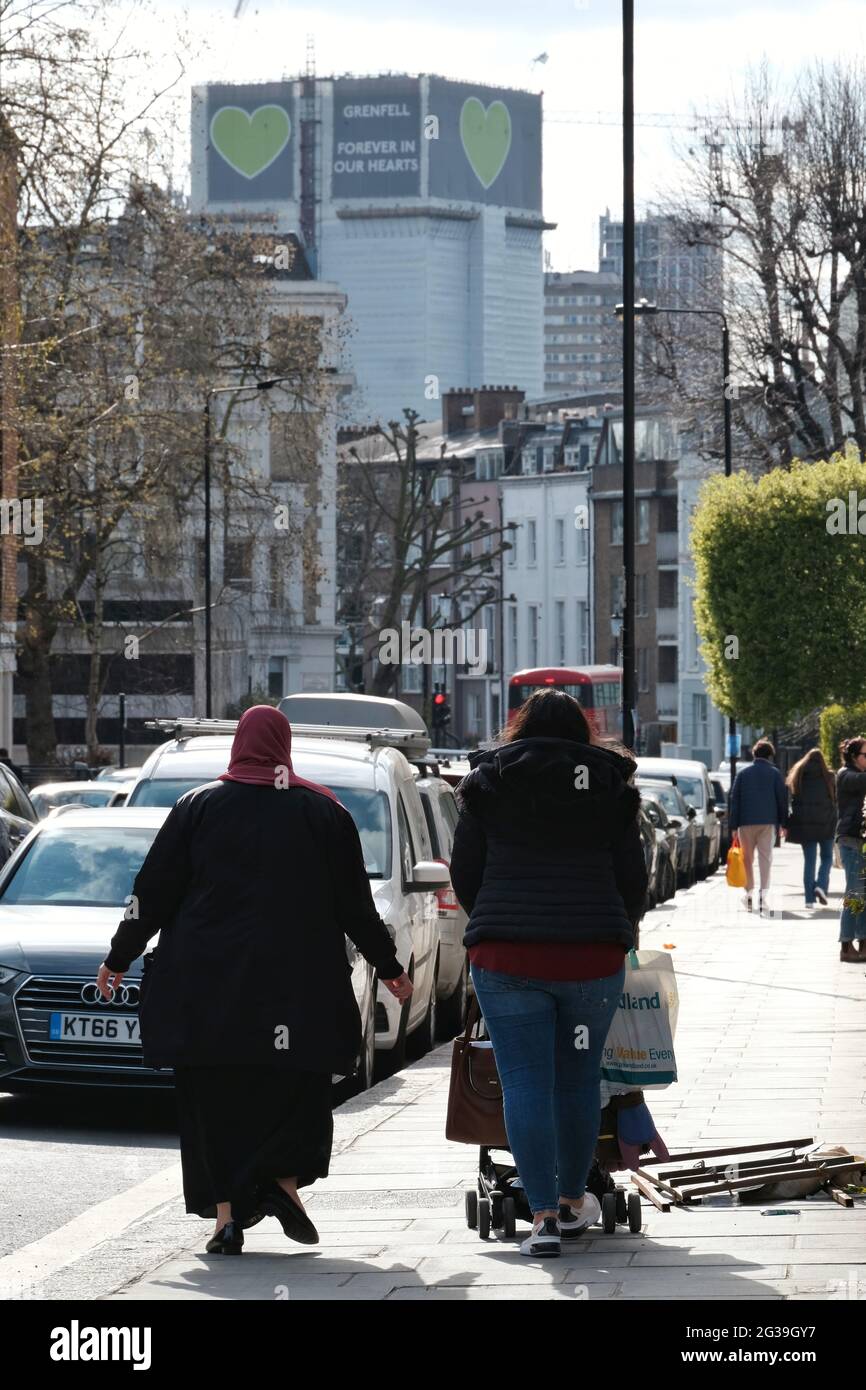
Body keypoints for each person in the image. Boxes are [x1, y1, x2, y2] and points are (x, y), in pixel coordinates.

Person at [97, 705, 412, 1256]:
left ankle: (225, 1220)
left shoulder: (196, 808)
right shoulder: (325, 814)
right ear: (283, 748)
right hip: (298, 989)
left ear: (237, 746)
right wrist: (389, 968)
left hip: (207, 989)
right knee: (292, 1086)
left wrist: (119, 957)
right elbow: (356, 909)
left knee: (213, 1097)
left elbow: (152, 893)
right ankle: (284, 1185)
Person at [449, 689, 647, 1259]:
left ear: (520, 726)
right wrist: (619, 928)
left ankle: (540, 1220)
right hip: (590, 958)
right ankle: (569, 1197)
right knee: (579, 1080)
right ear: (583, 732)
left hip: (509, 959)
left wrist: (493, 918)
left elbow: (467, 873)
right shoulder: (610, 785)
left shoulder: (490, 783)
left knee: (526, 1082)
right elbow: (632, 876)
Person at [728, 739, 788, 915]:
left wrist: (733, 826)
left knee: (747, 859)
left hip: (745, 822)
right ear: (770, 756)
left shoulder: (743, 773)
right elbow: (781, 800)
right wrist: (783, 823)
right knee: (765, 859)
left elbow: (735, 800)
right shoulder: (775, 773)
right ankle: (763, 896)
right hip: (768, 822)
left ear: (754, 754)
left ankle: (748, 893)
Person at [785, 748, 837, 910]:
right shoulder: (830, 777)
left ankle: (809, 899)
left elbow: (793, 801)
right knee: (827, 857)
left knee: (809, 861)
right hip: (826, 823)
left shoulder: (798, 775)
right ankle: (820, 885)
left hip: (805, 825)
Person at [835, 736, 866, 963]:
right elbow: (860, 781)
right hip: (851, 841)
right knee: (854, 894)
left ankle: (863, 942)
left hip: (861, 841)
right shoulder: (846, 775)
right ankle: (846, 945)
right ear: (854, 757)